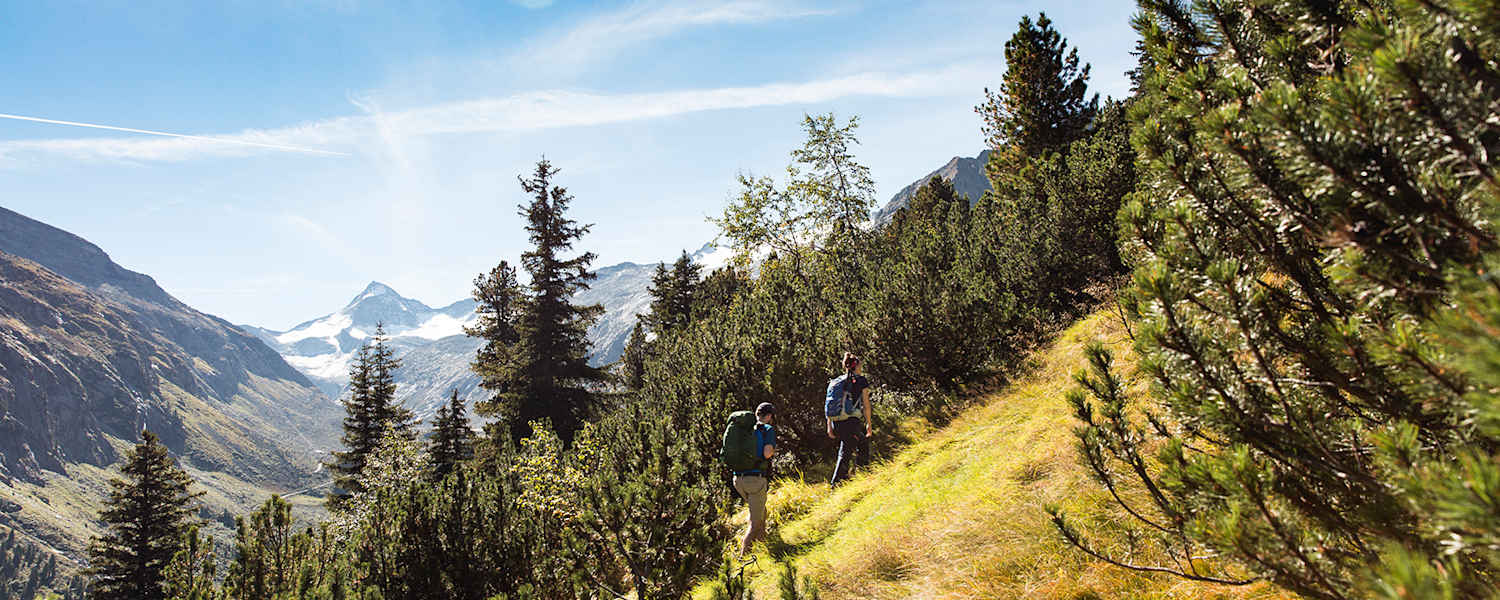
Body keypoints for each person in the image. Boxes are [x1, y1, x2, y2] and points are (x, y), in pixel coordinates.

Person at [734, 402, 777, 556]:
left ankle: (764, 549)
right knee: (755, 522)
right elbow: (767, 453)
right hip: (755, 480)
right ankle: (743, 557)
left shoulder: (743, 429)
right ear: (770, 416)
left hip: (738, 480)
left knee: (761, 512)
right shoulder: (767, 429)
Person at [827, 352, 871, 487]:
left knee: (856, 444)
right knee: (849, 449)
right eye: (860, 366)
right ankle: (838, 483)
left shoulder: (836, 381)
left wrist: (829, 426)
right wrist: (869, 423)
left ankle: (857, 475)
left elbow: (829, 405)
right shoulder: (860, 380)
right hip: (850, 421)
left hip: (836, 422)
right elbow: (866, 405)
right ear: (856, 366)